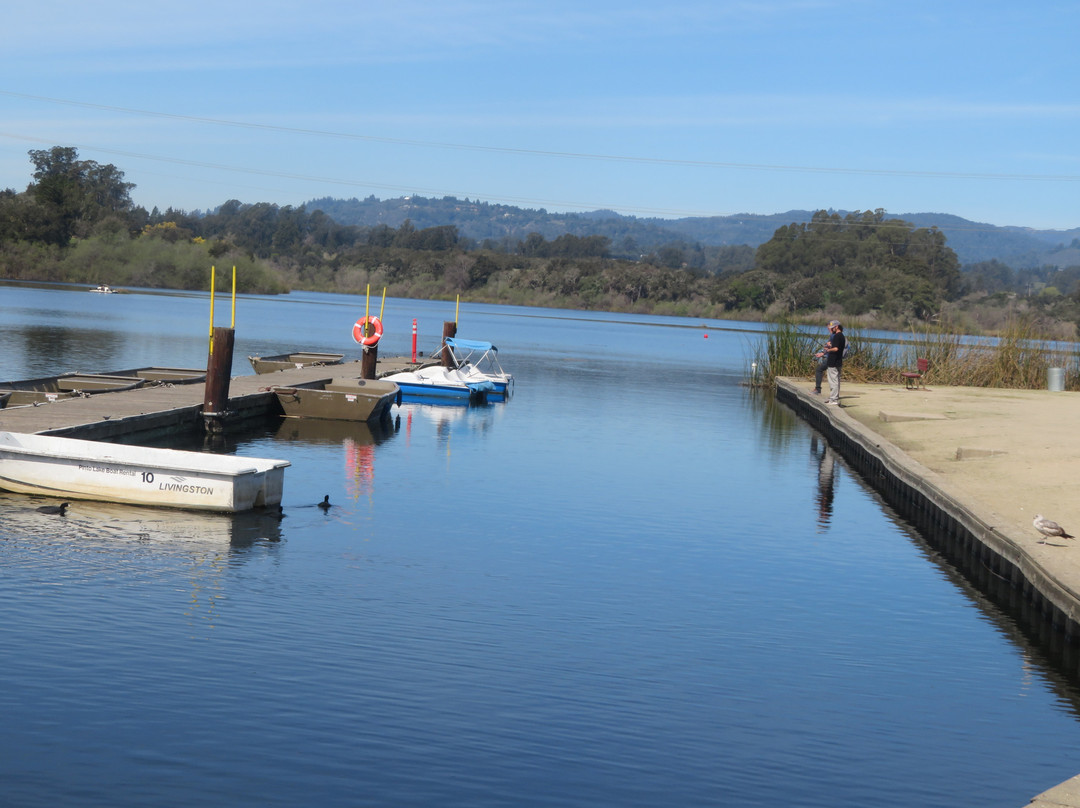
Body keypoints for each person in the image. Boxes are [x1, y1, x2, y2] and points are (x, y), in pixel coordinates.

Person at [824, 320, 846, 405]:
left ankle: (833, 399)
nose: (831, 329)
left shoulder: (837, 336)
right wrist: (830, 345)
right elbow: (837, 347)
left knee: (833, 381)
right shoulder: (842, 336)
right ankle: (834, 398)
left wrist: (828, 349)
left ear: (836, 327)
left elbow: (836, 349)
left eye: (832, 327)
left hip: (833, 362)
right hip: (838, 361)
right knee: (836, 380)